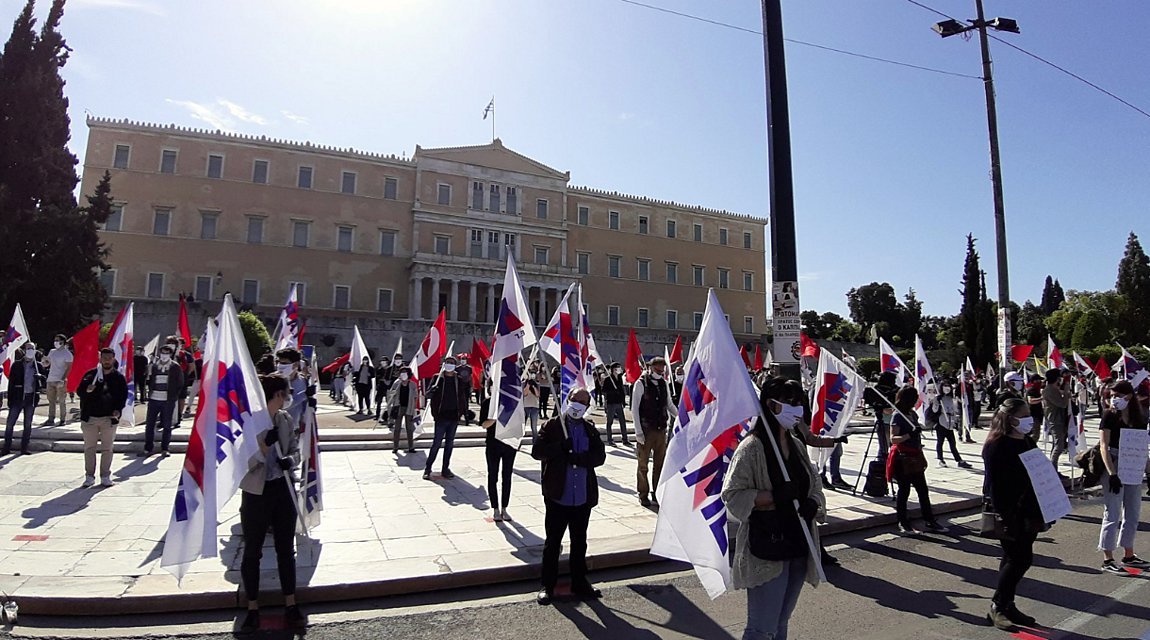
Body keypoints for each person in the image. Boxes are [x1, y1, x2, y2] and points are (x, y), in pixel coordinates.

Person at [722, 377, 825, 640]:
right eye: (790, 403)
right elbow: (732, 495)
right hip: (767, 548)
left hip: (799, 545)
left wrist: (813, 502)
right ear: (771, 405)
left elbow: (814, 483)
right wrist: (772, 496)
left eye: (799, 403)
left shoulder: (797, 445)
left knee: (781, 622)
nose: (797, 410)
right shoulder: (751, 448)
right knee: (761, 627)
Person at [238, 374, 305, 633]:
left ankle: (291, 603)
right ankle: (252, 607)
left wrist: (291, 460)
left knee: (285, 549)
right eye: (285, 393)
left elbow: (296, 450)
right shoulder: (250, 422)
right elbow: (242, 461)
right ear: (276, 394)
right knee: (252, 550)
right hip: (256, 492)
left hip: (282, 489)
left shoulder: (285, 419)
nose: (287, 397)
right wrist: (264, 446)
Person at [531, 387, 606, 605]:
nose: (578, 406)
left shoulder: (590, 429)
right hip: (558, 495)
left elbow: (599, 456)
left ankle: (580, 582)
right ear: (568, 400)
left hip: (582, 496)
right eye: (575, 400)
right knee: (553, 542)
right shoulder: (553, 426)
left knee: (579, 541)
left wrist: (580, 458)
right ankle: (548, 585)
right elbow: (538, 452)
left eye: (583, 402)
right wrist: (560, 448)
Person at [983, 398, 1044, 630]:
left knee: (1013, 558)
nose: (1030, 419)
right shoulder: (997, 445)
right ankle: (998, 605)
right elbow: (994, 485)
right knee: (1020, 559)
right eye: (1025, 414)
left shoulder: (1027, 441)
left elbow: (1039, 470)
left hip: (1030, 510)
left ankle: (1007, 604)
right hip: (1008, 511)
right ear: (1011, 419)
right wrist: (1004, 515)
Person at [1097, 380, 1149, 574]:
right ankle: (1107, 557)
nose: (1114, 399)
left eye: (1118, 396)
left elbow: (1141, 446)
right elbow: (1103, 445)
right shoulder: (1109, 416)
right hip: (1115, 462)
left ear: (1129, 396)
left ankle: (1129, 554)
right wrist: (1112, 473)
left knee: (1133, 512)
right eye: (1112, 396)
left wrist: (1148, 470)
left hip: (1133, 465)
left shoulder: (1139, 417)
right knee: (1112, 512)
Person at [887, 387, 946, 533]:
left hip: (915, 455)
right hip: (903, 457)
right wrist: (909, 435)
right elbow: (893, 439)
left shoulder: (911, 414)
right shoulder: (898, 416)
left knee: (922, 490)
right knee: (904, 490)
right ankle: (903, 521)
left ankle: (929, 520)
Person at [75, 348, 129, 486]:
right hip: (90, 419)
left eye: (109, 358)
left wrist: (118, 411)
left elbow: (122, 397)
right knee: (89, 448)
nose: (106, 360)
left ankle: (105, 475)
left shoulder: (118, 377)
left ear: (113, 359)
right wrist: (87, 390)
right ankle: (89, 476)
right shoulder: (91, 375)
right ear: (100, 359)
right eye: (104, 358)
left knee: (107, 448)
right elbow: (80, 391)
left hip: (108, 419)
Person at [631, 356, 676, 507]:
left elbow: (669, 404)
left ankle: (657, 493)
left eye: (662, 369)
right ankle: (643, 494)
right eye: (657, 369)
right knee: (643, 465)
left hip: (661, 430)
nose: (660, 372)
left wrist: (682, 416)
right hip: (646, 429)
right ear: (650, 368)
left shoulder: (664, 383)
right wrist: (638, 432)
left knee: (660, 464)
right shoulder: (640, 383)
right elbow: (634, 409)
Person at [423, 356, 470, 480]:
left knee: (449, 444)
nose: (450, 365)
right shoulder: (437, 378)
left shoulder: (458, 380)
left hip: (453, 417)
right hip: (441, 416)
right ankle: (428, 468)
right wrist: (432, 391)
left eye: (452, 363)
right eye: (448, 363)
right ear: (444, 364)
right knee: (436, 444)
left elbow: (462, 397)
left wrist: (464, 413)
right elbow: (427, 394)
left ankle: (445, 468)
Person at [139, 344, 184, 457]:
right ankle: (148, 448)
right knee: (150, 424)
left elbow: (180, 382)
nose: (164, 355)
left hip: (167, 400)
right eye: (163, 352)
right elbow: (149, 379)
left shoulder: (175, 366)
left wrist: (174, 395)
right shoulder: (154, 366)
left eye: (167, 353)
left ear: (170, 354)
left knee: (167, 425)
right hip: (154, 399)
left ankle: (165, 448)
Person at [2, 342, 46, 455]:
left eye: (32, 348)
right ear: (24, 350)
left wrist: (41, 377)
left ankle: (24, 448)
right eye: (28, 348)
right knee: (10, 423)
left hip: (30, 398)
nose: (30, 350)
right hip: (17, 397)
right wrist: (10, 399)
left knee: (27, 424)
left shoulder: (38, 366)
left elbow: (43, 383)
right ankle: (6, 447)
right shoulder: (17, 365)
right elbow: (11, 383)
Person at [928, 380, 971, 469]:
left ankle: (959, 460)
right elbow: (935, 410)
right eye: (945, 386)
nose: (947, 388)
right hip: (941, 423)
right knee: (940, 442)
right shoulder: (938, 398)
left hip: (950, 424)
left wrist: (955, 422)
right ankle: (940, 459)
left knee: (952, 443)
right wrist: (936, 402)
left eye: (948, 386)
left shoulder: (952, 399)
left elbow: (955, 411)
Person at [484, 414, 517, 522]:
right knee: (493, 477)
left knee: (507, 477)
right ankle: (495, 509)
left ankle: (504, 508)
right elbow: (484, 425)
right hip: (493, 445)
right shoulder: (489, 402)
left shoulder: (512, 402)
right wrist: (494, 418)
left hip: (509, 446)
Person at [1042, 369, 1071, 472]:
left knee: (1057, 444)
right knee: (1059, 446)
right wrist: (1066, 393)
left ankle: (1054, 469)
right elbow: (1062, 404)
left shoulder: (1054, 389)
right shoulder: (1049, 390)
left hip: (1059, 419)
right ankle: (1053, 470)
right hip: (1055, 420)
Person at [44, 334, 73, 426]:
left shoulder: (67, 354)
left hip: (61, 380)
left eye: (57, 340)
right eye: (55, 340)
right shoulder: (52, 351)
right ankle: (50, 418)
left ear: (63, 342)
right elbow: (47, 363)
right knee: (51, 401)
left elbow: (69, 368)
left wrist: (63, 379)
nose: (55, 342)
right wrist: (44, 361)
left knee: (61, 401)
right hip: (51, 379)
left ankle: (62, 419)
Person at [387, 367, 418, 453]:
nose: (403, 374)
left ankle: (411, 447)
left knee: (409, 428)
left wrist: (414, 408)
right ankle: (395, 447)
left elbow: (415, 397)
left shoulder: (412, 384)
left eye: (405, 372)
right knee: (397, 428)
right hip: (399, 407)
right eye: (402, 372)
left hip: (409, 408)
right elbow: (391, 394)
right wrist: (392, 393)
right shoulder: (397, 383)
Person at [601, 362, 630, 446]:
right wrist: (613, 391)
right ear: (613, 369)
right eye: (618, 368)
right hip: (611, 403)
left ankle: (625, 439)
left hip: (619, 402)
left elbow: (622, 391)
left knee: (622, 421)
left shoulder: (620, 378)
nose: (619, 369)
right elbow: (604, 390)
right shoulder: (608, 379)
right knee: (610, 422)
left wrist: (623, 401)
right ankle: (610, 440)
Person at [373, 355, 395, 423]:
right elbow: (377, 378)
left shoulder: (390, 370)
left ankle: (389, 416)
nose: (383, 363)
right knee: (378, 402)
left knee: (388, 403)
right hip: (380, 388)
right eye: (382, 361)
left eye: (384, 361)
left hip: (387, 388)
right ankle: (377, 415)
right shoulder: (379, 369)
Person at [522, 375, 541, 443]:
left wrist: (533, 386)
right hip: (526, 406)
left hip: (534, 407)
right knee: (522, 425)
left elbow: (538, 395)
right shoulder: (524, 383)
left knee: (534, 426)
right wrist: (528, 385)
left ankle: (535, 442)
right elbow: (525, 393)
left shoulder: (537, 384)